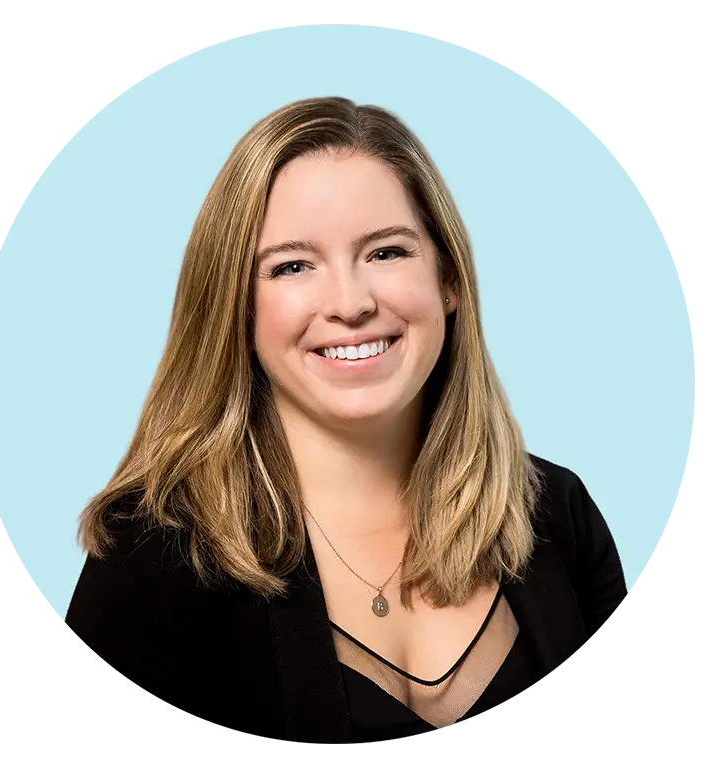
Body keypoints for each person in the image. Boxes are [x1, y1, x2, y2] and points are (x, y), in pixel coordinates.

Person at [63, 96, 630, 744]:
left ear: (448, 280)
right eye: (293, 266)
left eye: (386, 253)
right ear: (237, 310)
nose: (350, 304)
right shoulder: (154, 553)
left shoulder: (557, 513)